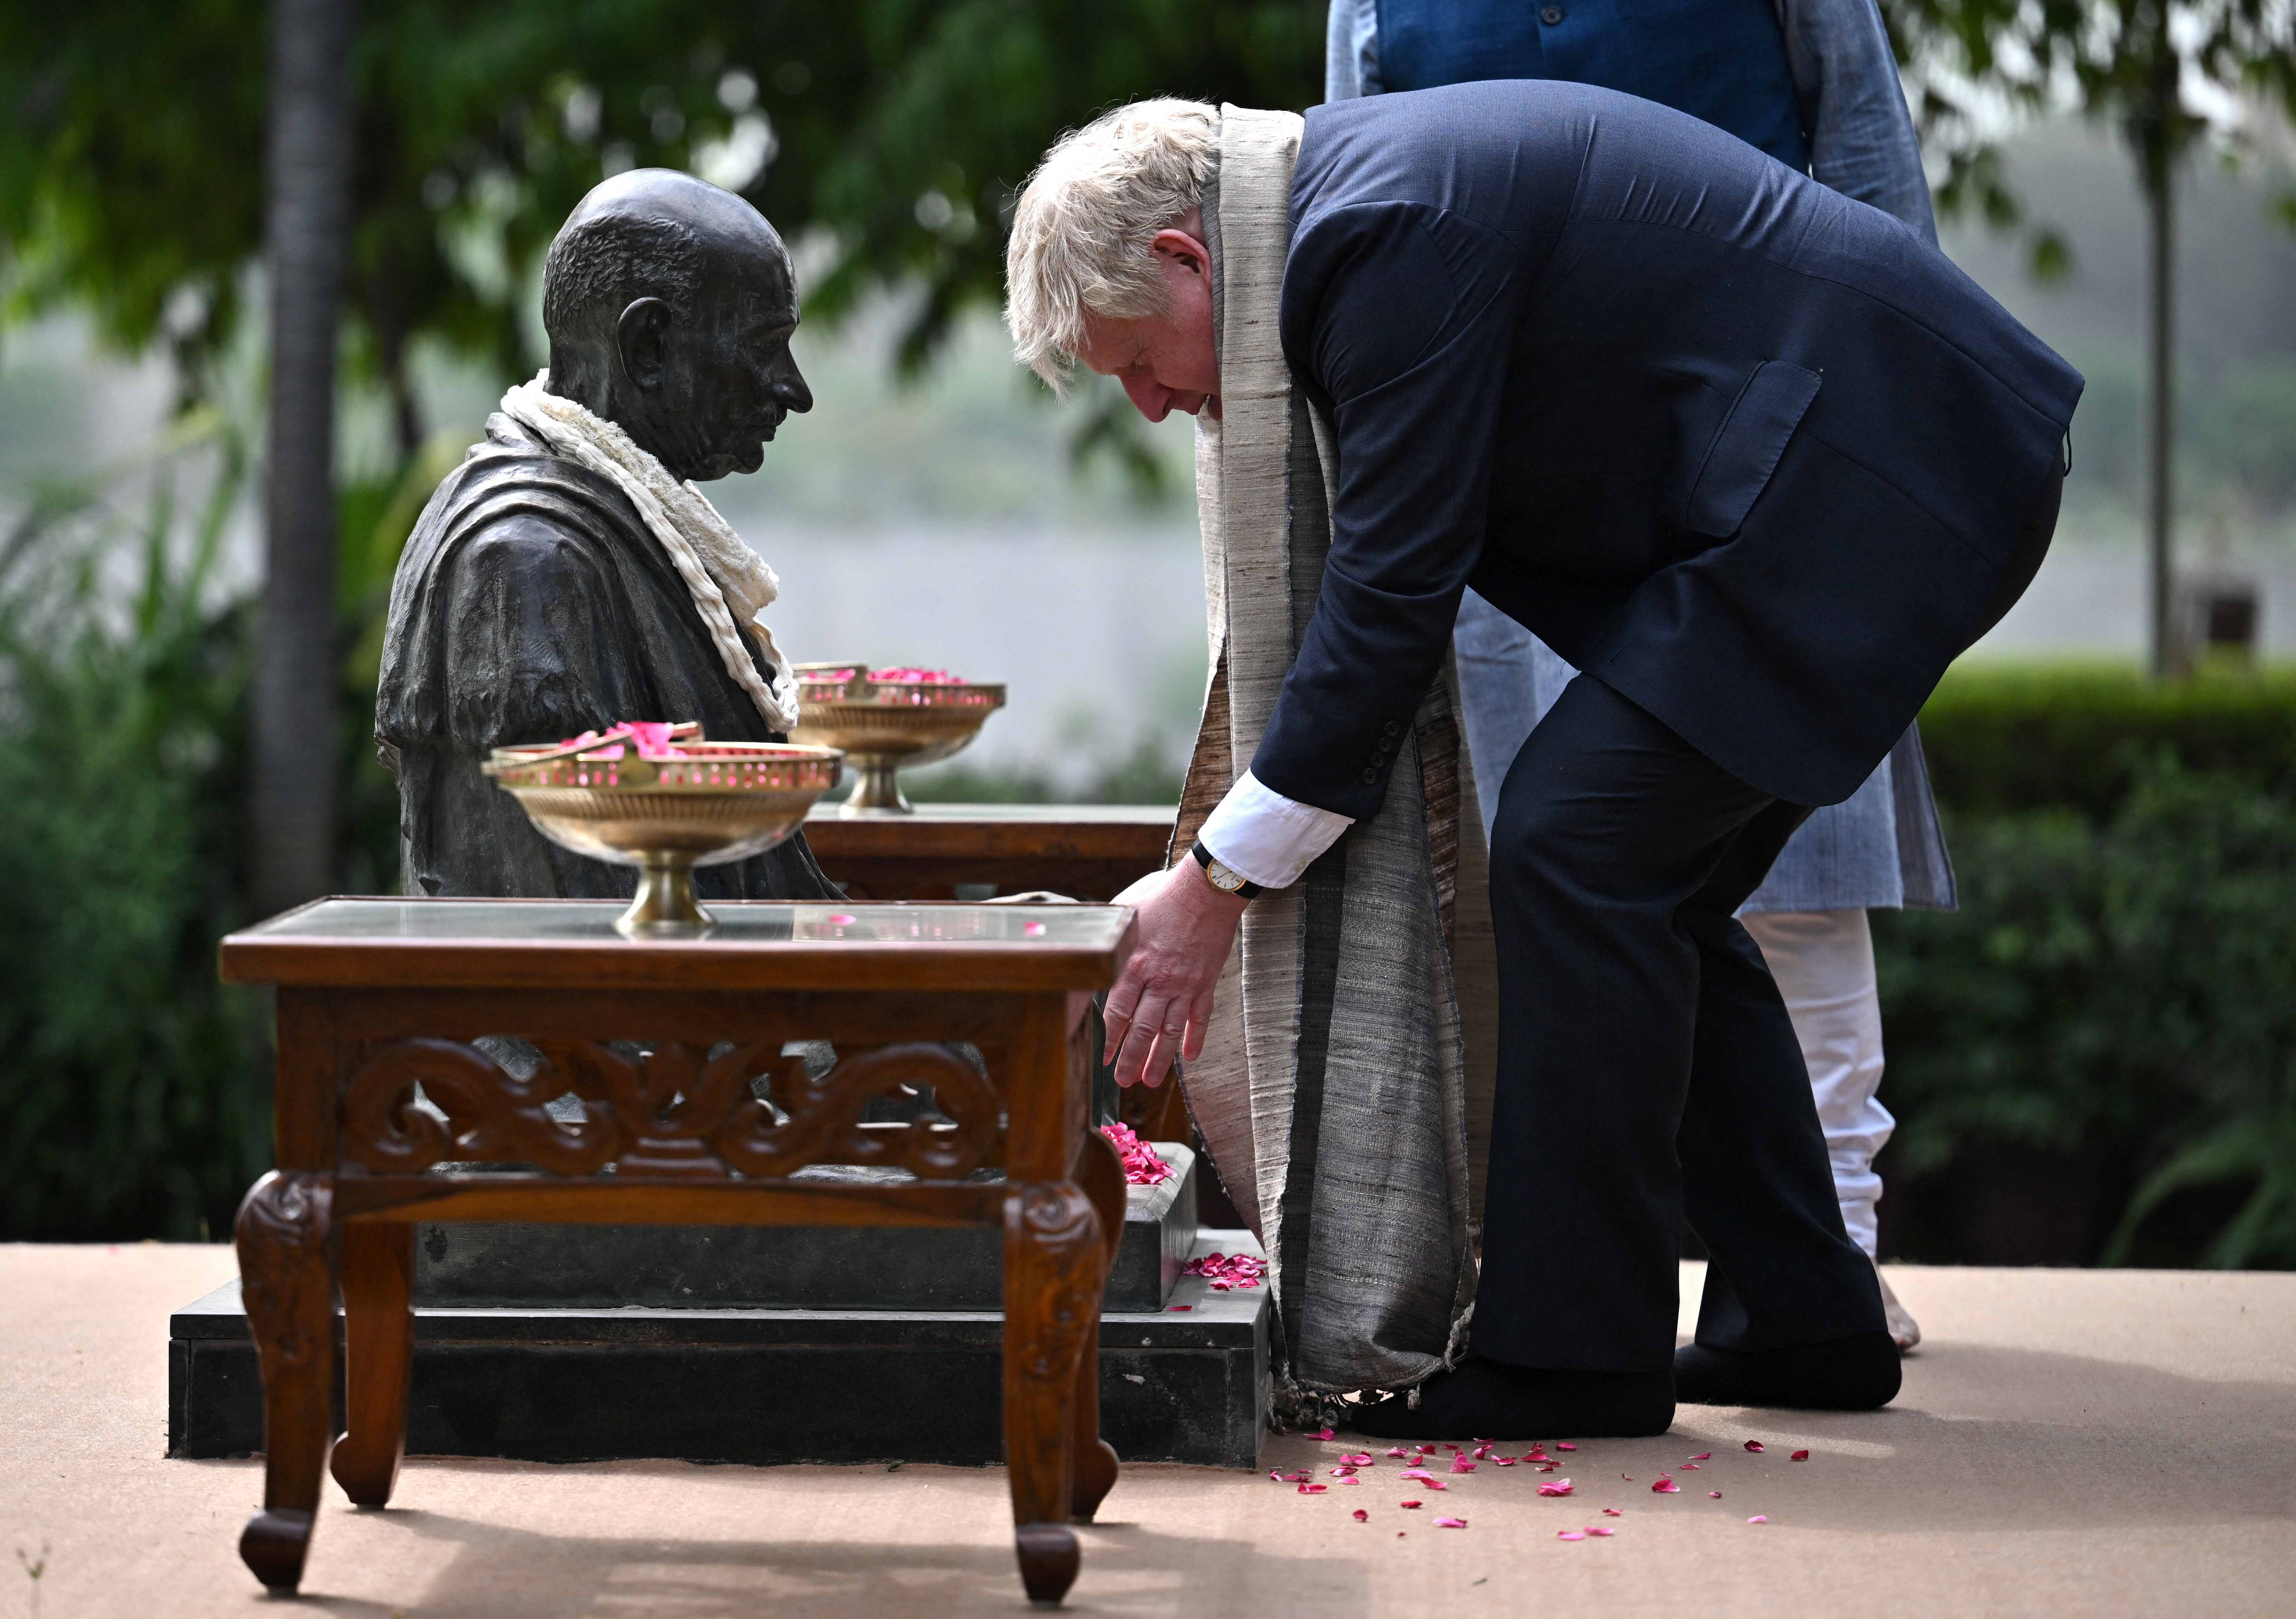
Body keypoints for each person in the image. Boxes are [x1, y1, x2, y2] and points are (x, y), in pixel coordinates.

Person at [1007, 88, 2076, 1435]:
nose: (1153, 408)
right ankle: (1804, 1321)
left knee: (1578, 851)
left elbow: (1394, 591)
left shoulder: (1372, 233)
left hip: (1882, 463)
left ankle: (1574, 1355)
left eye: (1135, 361)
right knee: (1644, 887)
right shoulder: (1349, 210)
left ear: (1184, 257)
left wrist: (1212, 883)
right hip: (1866, 465)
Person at [1324, 0, 1950, 1348]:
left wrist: (1898, 442)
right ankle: (1565, 1271)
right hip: (1531, 486)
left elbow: (1870, 173)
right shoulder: (1376, 4)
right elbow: (1354, 213)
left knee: (1793, 871)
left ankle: (1829, 1248)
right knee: (1555, 877)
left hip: (1790, 445)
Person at [376, 170, 839, 903]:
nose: (793, 389)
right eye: (764, 347)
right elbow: (577, 950)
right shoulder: (525, 562)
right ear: (648, 346)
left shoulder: (622, 527)